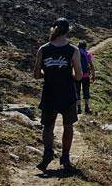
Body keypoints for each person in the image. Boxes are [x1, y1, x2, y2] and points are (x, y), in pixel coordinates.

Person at [33, 18, 83, 171]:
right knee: (68, 126)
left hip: (49, 93)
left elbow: (36, 75)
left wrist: (49, 73)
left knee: (48, 126)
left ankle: (48, 153)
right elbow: (79, 76)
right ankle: (65, 157)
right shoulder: (73, 50)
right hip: (67, 94)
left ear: (53, 29)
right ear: (68, 30)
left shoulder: (43, 49)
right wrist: (69, 73)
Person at [76, 41, 95, 114]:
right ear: (85, 46)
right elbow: (91, 65)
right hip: (86, 76)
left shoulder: (75, 53)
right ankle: (86, 107)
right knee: (86, 91)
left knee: (77, 91)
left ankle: (78, 109)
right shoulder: (88, 54)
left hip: (77, 75)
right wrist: (93, 75)